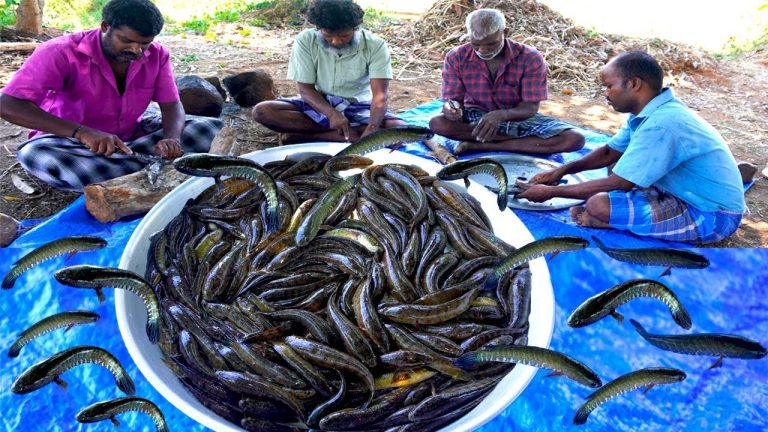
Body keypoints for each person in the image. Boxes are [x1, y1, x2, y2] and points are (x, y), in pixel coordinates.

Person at [516, 51, 745, 244]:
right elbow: (609, 152)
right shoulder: (649, 112)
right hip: (679, 190)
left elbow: (620, 183)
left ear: (634, 84)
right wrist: (561, 171)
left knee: (598, 204)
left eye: (608, 86)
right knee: (617, 163)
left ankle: (603, 220)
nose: (605, 93)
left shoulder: (662, 125)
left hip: (711, 214)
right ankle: (622, 212)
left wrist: (552, 192)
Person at [0, 0, 223, 191]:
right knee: (35, 153)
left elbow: (172, 106)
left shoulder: (157, 55)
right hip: (71, 141)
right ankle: (161, 170)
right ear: (105, 26)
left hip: (130, 138)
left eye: (144, 44)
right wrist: (82, 132)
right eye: (127, 41)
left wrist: (171, 139)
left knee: (213, 129)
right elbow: (7, 105)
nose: (136, 50)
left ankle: (135, 173)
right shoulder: (59, 52)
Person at [429, 8, 584, 155]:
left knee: (574, 139)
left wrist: (500, 115)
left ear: (505, 32)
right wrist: (452, 108)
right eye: (476, 44)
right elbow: (453, 100)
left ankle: (483, 145)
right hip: (475, 118)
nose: (482, 50)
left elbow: (530, 108)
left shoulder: (530, 58)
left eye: (491, 44)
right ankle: (521, 143)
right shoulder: (456, 57)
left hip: (519, 119)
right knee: (437, 123)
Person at [252, 0, 406, 144]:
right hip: (319, 104)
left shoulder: (375, 45)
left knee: (399, 129)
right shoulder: (305, 40)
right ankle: (350, 134)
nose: (336, 41)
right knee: (262, 111)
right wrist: (331, 114)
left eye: (344, 35)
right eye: (328, 36)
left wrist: (372, 128)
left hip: (359, 106)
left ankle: (308, 136)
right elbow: (305, 89)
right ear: (318, 29)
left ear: (355, 28)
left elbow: (380, 96)